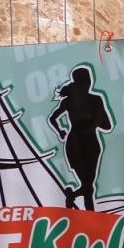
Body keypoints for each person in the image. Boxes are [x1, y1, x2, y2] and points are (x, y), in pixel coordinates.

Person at [48, 66, 113, 211]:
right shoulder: (71, 101)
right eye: (85, 80)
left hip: (88, 143)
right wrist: (60, 131)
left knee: (88, 185)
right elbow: (53, 118)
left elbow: (107, 125)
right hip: (77, 143)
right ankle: (89, 214)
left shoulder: (94, 100)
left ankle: (73, 195)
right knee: (88, 186)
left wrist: (95, 120)